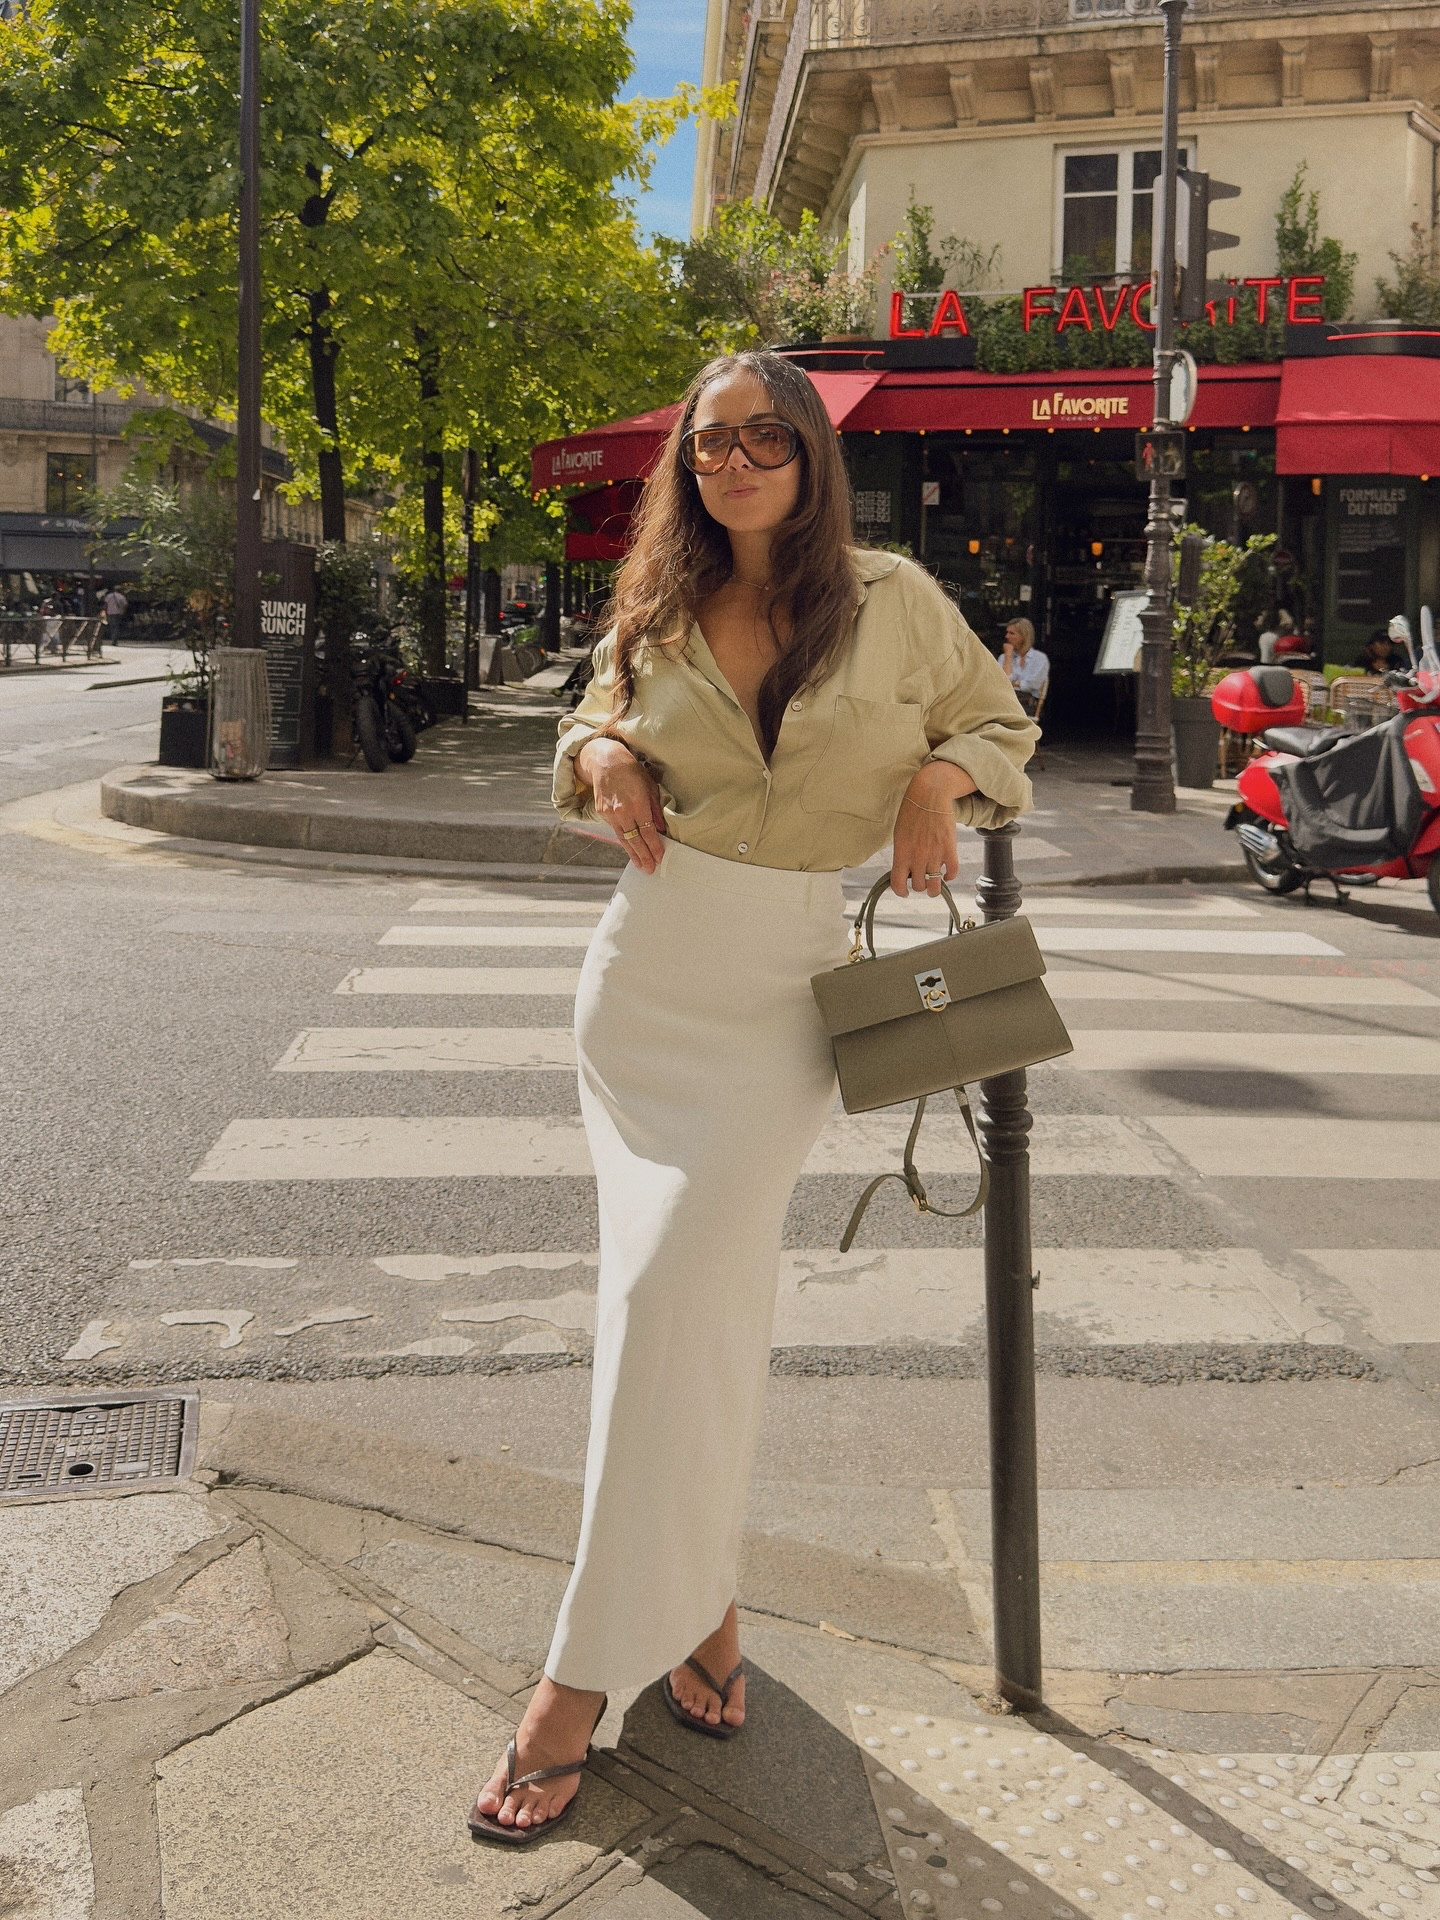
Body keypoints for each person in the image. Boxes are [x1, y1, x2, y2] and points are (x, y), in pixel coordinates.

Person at [468, 350, 1037, 1844]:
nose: (731, 462)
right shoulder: (656, 599)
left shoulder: (897, 599)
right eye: (709, 443)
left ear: (811, 456)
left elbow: (1000, 728)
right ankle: (698, 1606)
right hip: (647, 979)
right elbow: (584, 723)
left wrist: (937, 785)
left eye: (762, 438)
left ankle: (577, 1682)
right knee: (679, 1315)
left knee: (672, 1303)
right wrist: (600, 749)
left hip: (786, 988)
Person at [1000, 616, 1049, 714]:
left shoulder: (1039, 658)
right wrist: (1008, 656)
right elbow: (1000, 682)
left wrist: (1013, 683)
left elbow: (1033, 685)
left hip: (1026, 704)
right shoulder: (1004, 657)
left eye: (1011, 633)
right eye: (1007, 632)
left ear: (1024, 636)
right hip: (1004, 702)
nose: (1007, 636)